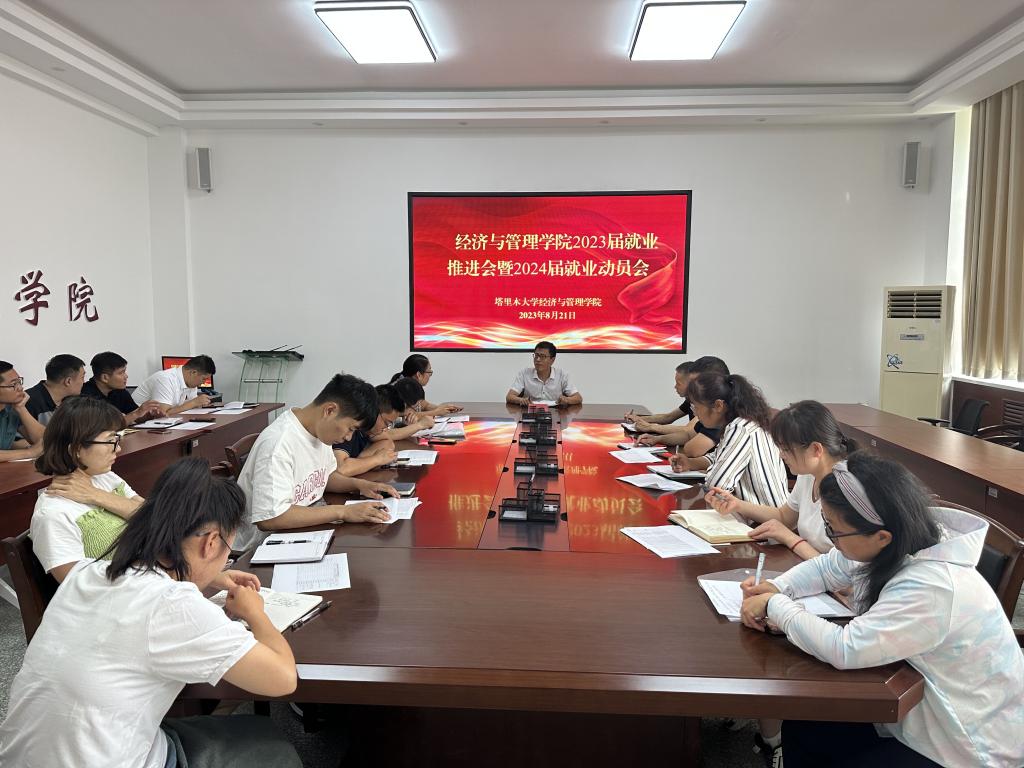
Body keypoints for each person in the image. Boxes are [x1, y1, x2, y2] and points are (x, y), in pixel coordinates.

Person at [0, 458, 302, 768]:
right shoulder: (174, 605)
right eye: (227, 550)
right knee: (273, 746)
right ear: (212, 543)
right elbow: (282, 679)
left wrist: (211, 575)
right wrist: (255, 612)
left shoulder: (88, 572)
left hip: (20, 758)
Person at [740, 452, 1024, 768]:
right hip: (919, 702)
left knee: (819, 733)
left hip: (965, 744)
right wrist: (777, 587)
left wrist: (775, 605)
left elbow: (845, 648)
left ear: (881, 537)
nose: (832, 539)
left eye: (834, 530)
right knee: (805, 725)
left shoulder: (933, 586)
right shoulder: (898, 537)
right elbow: (828, 567)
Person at [704, 399, 852, 764]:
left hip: (841, 597)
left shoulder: (848, 489)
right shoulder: (809, 475)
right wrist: (737, 505)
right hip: (809, 577)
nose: (781, 457)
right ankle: (765, 722)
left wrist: (791, 540)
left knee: (762, 634)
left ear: (816, 449)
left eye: (786, 450)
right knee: (743, 610)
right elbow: (784, 515)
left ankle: (775, 735)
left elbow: (848, 572)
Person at [235, 374, 396, 551]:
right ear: (329, 410)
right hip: (261, 547)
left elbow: (326, 476)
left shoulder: (320, 432)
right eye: (350, 428)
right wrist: (343, 512)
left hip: (302, 531)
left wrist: (359, 485)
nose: (349, 437)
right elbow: (271, 518)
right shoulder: (278, 443)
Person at [30, 396, 145, 582]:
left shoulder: (104, 477)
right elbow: (76, 583)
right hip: (126, 591)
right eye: (111, 440)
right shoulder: (53, 513)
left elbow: (153, 516)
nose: (118, 449)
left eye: (117, 438)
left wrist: (96, 495)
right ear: (76, 449)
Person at [670, 373, 787, 508]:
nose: (695, 413)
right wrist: (691, 463)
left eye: (696, 407)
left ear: (718, 406)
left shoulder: (740, 428)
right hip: (763, 510)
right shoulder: (744, 421)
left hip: (763, 515)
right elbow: (720, 456)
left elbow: (717, 485)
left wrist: (711, 472)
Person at [632, 355, 731, 457]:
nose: (691, 390)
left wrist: (651, 428)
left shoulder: (721, 416)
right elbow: (688, 435)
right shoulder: (709, 411)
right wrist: (657, 439)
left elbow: (692, 449)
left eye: (694, 384)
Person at [332, 384, 405, 477]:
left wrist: (362, 462)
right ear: (374, 412)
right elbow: (340, 468)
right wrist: (376, 459)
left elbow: (388, 442)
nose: (386, 428)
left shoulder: (368, 430)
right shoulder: (351, 425)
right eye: (386, 423)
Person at [81, 351, 166, 426]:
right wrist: (136, 414)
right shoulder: (86, 396)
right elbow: (105, 426)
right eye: (121, 373)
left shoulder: (120, 391)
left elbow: (135, 416)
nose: (126, 376)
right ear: (105, 378)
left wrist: (150, 415)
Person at [132, 355, 217, 416]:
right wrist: (194, 402)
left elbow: (191, 407)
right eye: (203, 379)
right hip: (136, 424)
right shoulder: (165, 379)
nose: (203, 383)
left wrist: (200, 403)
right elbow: (162, 414)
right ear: (193, 373)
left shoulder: (191, 383)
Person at [505, 341, 582, 407]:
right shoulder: (525, 373)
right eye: (536, 355)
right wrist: (521, 400)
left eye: (542, 356)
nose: (538, 359)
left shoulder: (562, 375)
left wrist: (567, 400)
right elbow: (509, 396)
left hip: (555, 413)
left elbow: (578, 398)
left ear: (552, 360)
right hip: (531, 413)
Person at [0, 360, 44, 462]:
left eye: (19, 382)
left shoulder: (11, 409)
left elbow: (45, 440)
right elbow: (36, 450)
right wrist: (29, 453)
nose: (20, 388)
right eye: (13, 385)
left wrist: (21, 408)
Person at [23, 353, 86, 425]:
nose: (84, 382)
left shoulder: (71, 401)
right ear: (68, 381)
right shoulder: (27, 402)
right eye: (82, 377)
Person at [390, 354, 461, 415]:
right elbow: (407, 415)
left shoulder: (411, 385)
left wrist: (443, 408)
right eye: (429, 372)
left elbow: (424, 405)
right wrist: (436, 412)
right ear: (418, 375)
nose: (430, 375)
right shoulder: (403, 388)